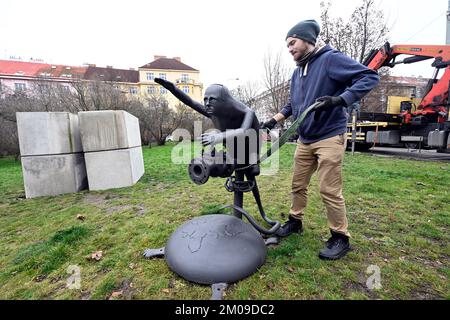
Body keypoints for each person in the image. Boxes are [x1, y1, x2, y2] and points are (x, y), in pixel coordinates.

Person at [261, 19, 379, 260]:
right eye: (288, 45)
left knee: (329, 189)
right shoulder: (297, 72)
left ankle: (340, 237)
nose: (290, 48)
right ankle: (295, 222)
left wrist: (340, 99)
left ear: (308, 41)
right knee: (297, 185)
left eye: (293, 43)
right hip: (305, 139)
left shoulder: (330, 59)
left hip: (329, 136)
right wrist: (274, 119)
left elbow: (369, 76)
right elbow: (293, 104)